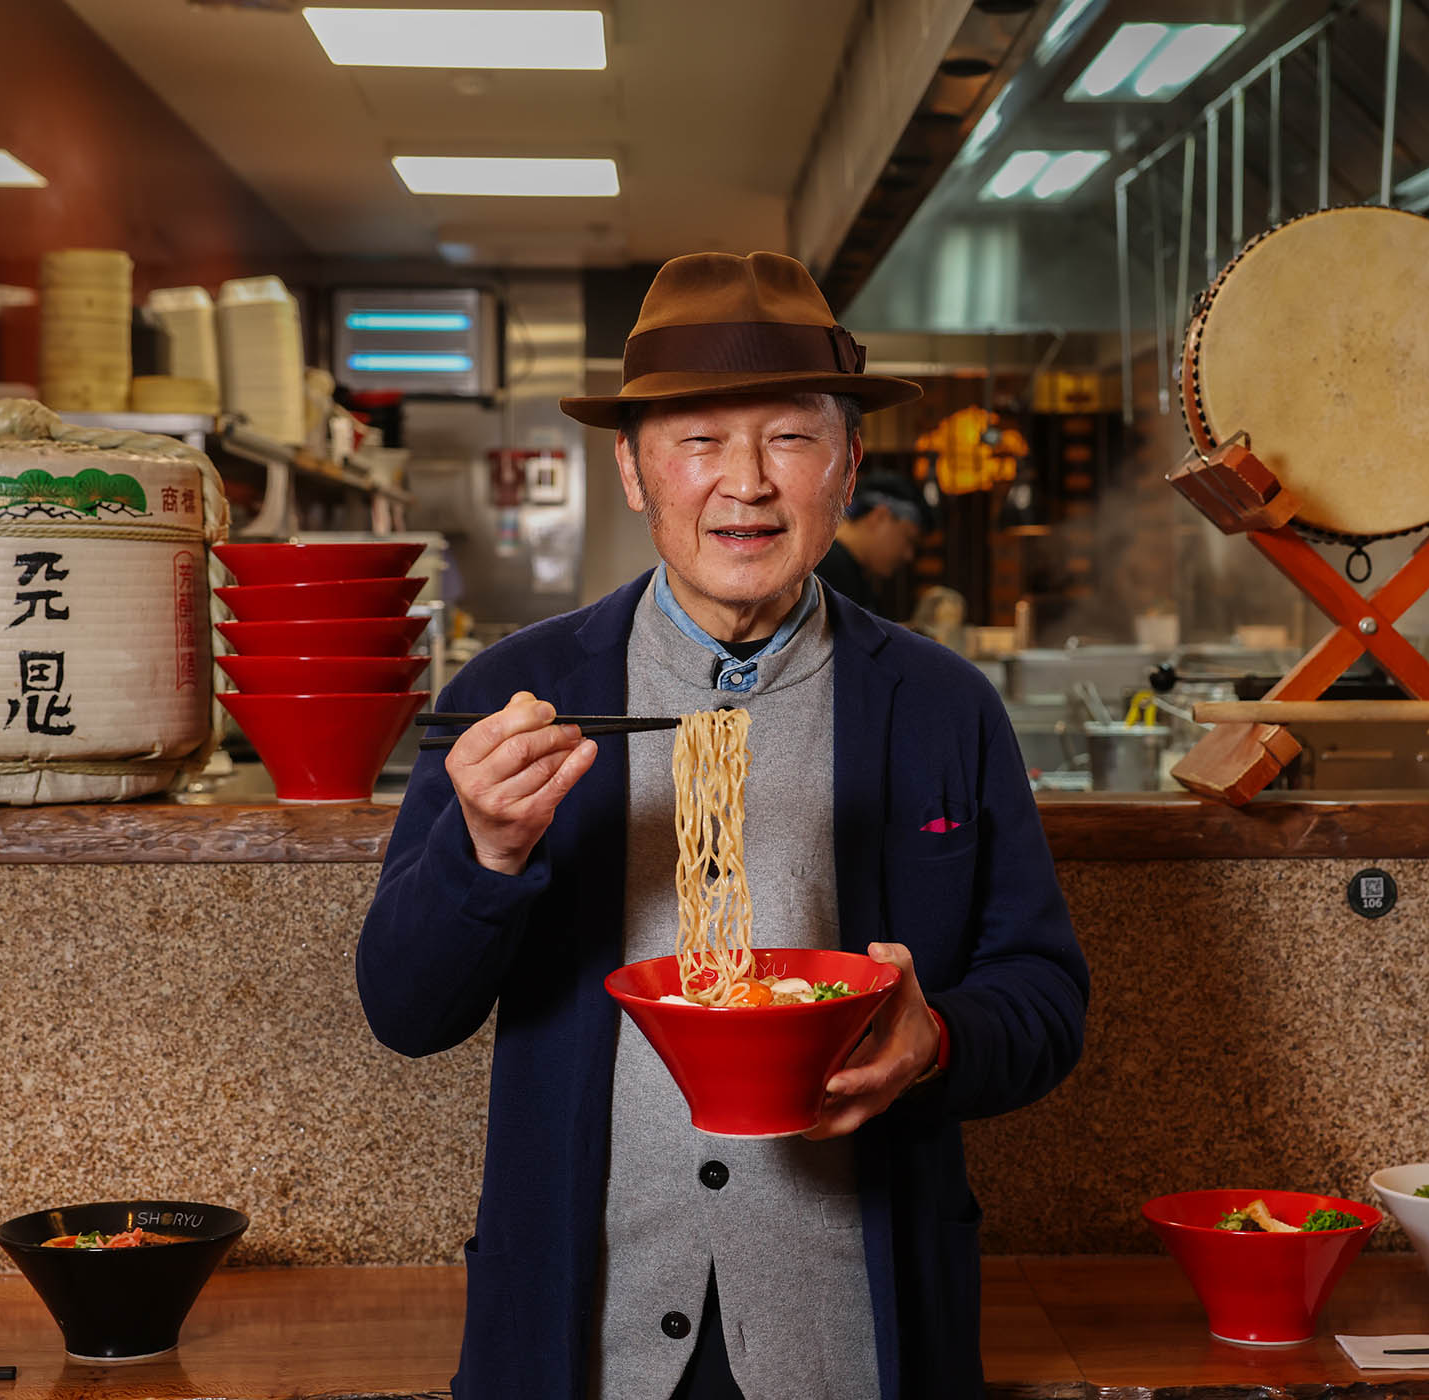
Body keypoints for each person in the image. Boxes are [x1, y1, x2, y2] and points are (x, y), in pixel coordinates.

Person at [356, 251, 1088, 1400]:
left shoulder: (942, 705)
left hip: (853, 1332)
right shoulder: (520, 690)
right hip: (582, 1341)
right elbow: (403, 1009)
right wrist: (487, 852)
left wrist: (933, 1039)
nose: (745, 481)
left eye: (790, 437)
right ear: (635, 469)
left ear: (847, 467)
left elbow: (1046, 996)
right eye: (698, 438)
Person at [814, 472, 935, 617]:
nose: (908, 555)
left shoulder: (846, 568)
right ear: (879, 516)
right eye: (908, 539)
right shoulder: (827, 566)